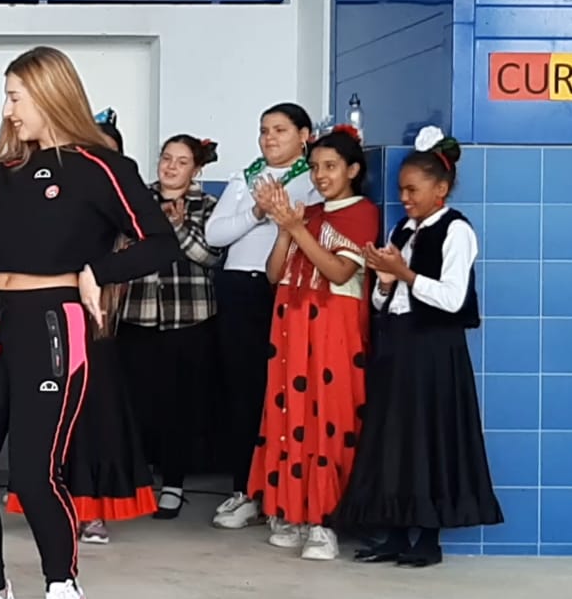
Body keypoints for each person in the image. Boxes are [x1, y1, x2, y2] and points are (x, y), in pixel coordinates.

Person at [0, 46, 179, 599]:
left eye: (14, 97)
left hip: (52, 322)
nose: (8, 112)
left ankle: (65, 591)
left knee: (34, 471)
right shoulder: (4, 172)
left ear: (49, 95)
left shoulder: (100, 166)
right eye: (6, 98)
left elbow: (160, 241)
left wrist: (99, 273)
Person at [332, 126, 503, 568]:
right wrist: (385, 281)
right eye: (401, 190)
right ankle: (392, 532)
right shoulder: (403, 230)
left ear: (440, 189)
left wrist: (405, 276)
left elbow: (452, 297)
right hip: (399, 345)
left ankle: (427, 538)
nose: (404, 198)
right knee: (394, 439)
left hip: (434, 350)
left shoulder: (456, 231)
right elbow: (386, 297)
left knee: (430, 440)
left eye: (412, 190)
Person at [249, 126, 380, 561]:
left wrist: (295, 226)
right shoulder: (310, 212)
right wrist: (286, 227)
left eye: (331, 167)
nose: (321, 175)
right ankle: (290, 510)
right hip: (291, 319)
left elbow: (340, 272)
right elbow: (272, 274)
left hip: (332, 325)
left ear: (353, 170)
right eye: (316, 167)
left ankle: (325, 521)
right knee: (289, 416)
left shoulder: (362, 213)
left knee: (330, 416)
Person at [204, 102, 325, 530]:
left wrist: (278, 219)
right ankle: (245, 489)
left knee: (279, 392)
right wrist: (257, 212)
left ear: (304, 135)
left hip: (281, 291)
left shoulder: (314, 180)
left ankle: (279, 495)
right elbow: (215, 234)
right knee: (242, 393)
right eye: (263, 130)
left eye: (280, 130)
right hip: (238, 289)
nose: (269, 138)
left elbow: (303, 232)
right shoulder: (246, 177)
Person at [116, 134, 222, 520]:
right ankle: (138, 484)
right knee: (136, 403)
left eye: (181, 161)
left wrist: (177, 227)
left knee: (180, 406)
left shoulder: (209, 206)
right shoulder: (136, 200)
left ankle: (174, 485)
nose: (171, 167)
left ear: (196, 169)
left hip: (189, 317)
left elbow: (211, 256)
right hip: (137, 314)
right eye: (166, 158)